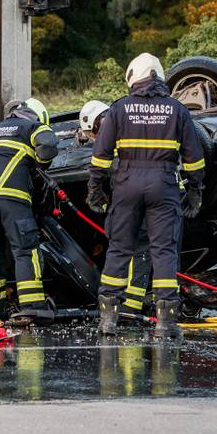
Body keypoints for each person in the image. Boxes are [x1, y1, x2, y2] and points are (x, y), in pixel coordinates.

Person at [87, 54, 204, 337]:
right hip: (163, 184)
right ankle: (165, 324)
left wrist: (96, 190)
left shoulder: (119, 109)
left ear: (133, 77)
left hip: (126, 183)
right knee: (163, 250)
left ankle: (108, 320)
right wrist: (195, 191)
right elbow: (194, 158)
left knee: (119, 247)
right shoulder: (177, 110)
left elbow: (100, 157)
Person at [0, 98, 59, 323]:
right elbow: (48, 145)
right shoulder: (31, 126)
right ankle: (33, 306)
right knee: (25, 250)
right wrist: (40, 164)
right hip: (13, 197)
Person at [79, 100, 153, 315]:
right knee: (150, 250)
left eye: (93, 132)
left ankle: (117, 305)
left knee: (126, 247)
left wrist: (95, 192)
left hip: (130, 197)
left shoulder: (112, 129)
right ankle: (135, 305)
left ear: (97, 123)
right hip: (160, 194)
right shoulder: (137, 121)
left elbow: (103, 165)